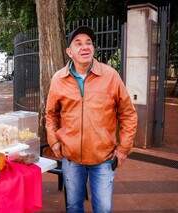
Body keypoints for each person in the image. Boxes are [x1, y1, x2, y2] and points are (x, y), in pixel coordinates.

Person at [45, 26, 138, 213]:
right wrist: (54, 141)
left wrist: (123, 149)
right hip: (71, 159)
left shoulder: (110, 76)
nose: (85, 47)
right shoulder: (58, 79)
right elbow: (51, 114)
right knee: (73, 206)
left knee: (103, 208)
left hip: (103, 159)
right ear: (69, 52)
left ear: (93, 48)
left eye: (88, 42)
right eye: (78, 43)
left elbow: (128, 113)